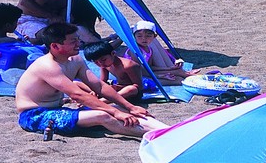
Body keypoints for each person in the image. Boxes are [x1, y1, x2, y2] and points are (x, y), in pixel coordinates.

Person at [14, 23, 160, 138]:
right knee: (103, 115)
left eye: (78, 39)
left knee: (121, 109)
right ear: (55, 46)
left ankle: (165, 129)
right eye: (73, 41)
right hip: (35, 115)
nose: (79, 44)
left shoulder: (75, 59)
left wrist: (130, 107)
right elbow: (78, 95)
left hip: (57, 108)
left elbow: (99, 86)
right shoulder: (47, 66)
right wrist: (114, 112)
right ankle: (157, 135)